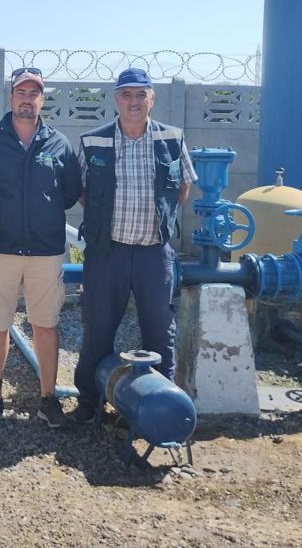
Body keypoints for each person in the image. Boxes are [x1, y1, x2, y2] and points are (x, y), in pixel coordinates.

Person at [72, 67, 196, 423]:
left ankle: (163, 405)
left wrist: (160, 218)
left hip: (153, 253)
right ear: (116, 100)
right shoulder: (93, 141)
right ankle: (89, 402)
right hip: (106, 253)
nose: (134, 102)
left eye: (141, 95)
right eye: (126, 95)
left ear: (152, 100)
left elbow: (183, 187)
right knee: (98, 328)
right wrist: (103, 219)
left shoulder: (172, 139)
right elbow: (81, 190)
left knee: (159, 329)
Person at [0, 67, 82, 429]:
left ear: (42, 99)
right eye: (21, 92)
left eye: (34, 93)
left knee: (46, 324)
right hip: (0, 251)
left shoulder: (59, 144)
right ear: (11, 96)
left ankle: (48, 399)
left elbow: (69, 193)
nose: (27, 99)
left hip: (45, 253)